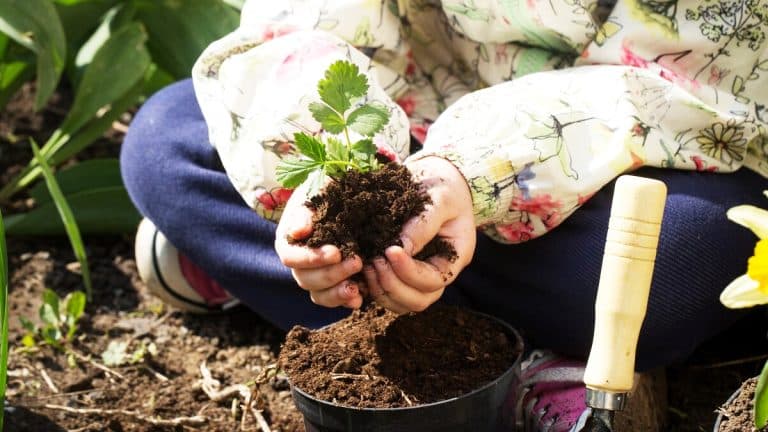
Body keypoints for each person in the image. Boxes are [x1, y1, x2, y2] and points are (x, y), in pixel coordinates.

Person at [121, 0, 768, 430]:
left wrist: (476, 170)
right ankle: (521, 347)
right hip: (412, 125)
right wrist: (340, 166)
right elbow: (305, 19)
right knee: (165, 141)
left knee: (683, 253)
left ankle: (266, 270)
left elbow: (696, 91)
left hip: (631, 151)